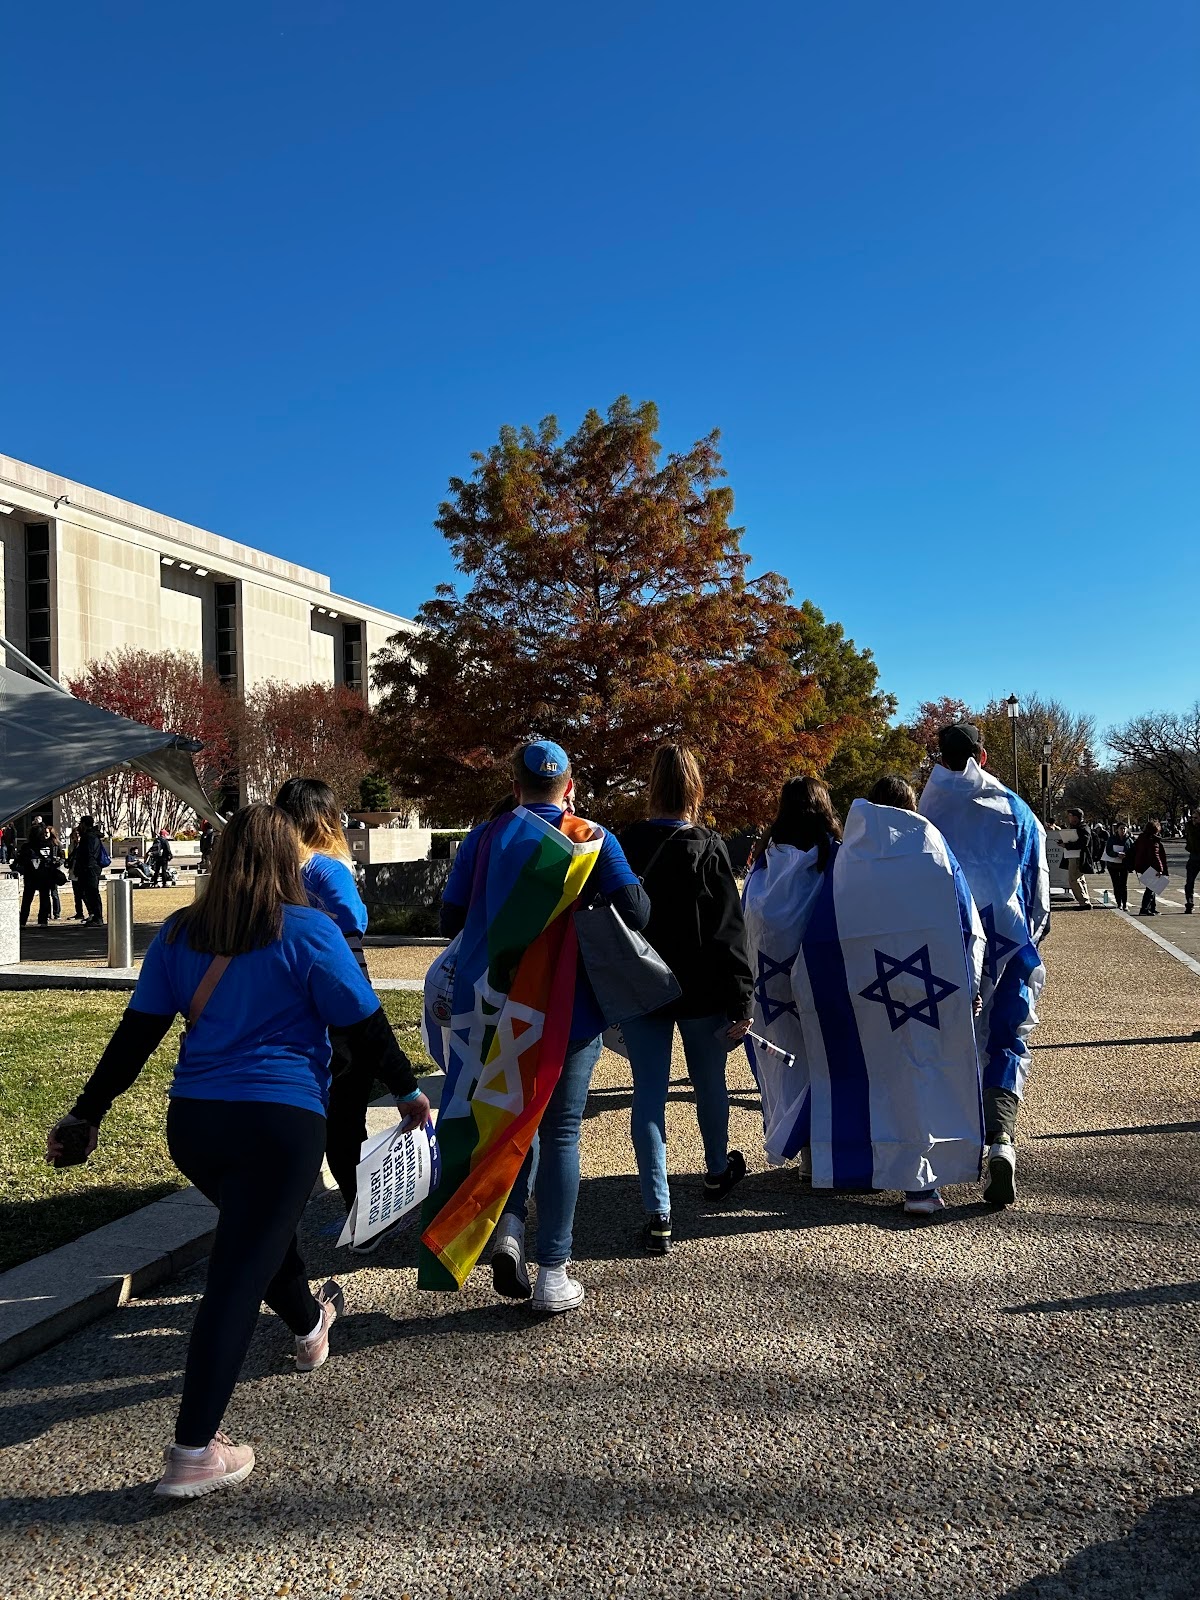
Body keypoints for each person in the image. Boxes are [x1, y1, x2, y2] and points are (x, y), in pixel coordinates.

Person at [45, 804, 430, 1499]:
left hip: (195, 1127)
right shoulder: (309, 931)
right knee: (235, 1274)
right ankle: (194, 1451)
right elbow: (366, 1024)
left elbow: (137, 1036)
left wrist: (88, 1112)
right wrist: (406, 1092)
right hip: (279, 1124)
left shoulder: (181, 935)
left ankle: (311, 1323)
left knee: (258, 1234)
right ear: (290, 863)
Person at [427, 739, 649, 1313]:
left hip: (496, 1007)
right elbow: (637, 910)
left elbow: (451, 918)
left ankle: (506, 1232)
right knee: (562, 1132)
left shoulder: (485, 837)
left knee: (505, 1120)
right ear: (569, 786)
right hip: (568, 1010)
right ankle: (554, 1273)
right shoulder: (592, 838)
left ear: (516, 784)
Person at [790, 789, 986, 1215]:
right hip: (931, 984)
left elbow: (823, 930)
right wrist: (969, 986)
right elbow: (967, 922)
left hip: (867, 988)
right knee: (925, 1078)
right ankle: (921, 1184)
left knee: (878, 1080)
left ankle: (869, 1164)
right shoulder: (933, 849)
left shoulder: (849, 861)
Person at [617, 745, 753, 1255]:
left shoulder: (626, 843)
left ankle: (658, 1209)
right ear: (695, 787)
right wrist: (741, 996)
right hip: (701, 987)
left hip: (643, 986)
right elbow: (728, 932)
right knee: (708, 1083)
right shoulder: (708, 846)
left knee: (647, 1094)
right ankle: (717, 1170)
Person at [919, 723, 1050, 1208]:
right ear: (984, 755)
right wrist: (1029, 940)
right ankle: (1001, 1142)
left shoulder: (921, 809)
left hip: (941, 941)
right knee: (1006, 1043)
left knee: (938, 1042)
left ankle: (931, 1156)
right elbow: (1037, 888)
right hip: (1006, 940)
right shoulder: (1016, 809)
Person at [274, 777, 391, 1250]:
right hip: (341, 1002)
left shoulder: (277, 870)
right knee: (347, 1120)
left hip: (291, 1004)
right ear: (326, 817)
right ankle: (364, 1217)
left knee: (314, 1114)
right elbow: (354, 921)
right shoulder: (326, 868)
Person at [741, 776, 843, 1183]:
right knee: (825, 1059)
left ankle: (803, 1150)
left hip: (769, 982)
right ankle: (827, 1149)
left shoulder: (765, 861)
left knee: (788, 1065)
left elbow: (751, 921)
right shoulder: (832, 859)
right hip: (817, 975)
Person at [16, 823, 59, 926]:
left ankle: (22, 921)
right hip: (45, 874)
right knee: (44, 897)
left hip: (30, 875)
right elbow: (52, 859)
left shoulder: (27, 846)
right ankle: (43, 920)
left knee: (27, 899)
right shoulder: (49, 845)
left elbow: (21, 861)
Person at [70, 815, 106, 926]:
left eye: (81, 824)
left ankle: (97, 917)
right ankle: (94, 915)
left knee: (92, 893)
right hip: (89, 868)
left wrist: (84, 867)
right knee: (88, 893)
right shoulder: (91, 836)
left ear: (85, 824)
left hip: (89, 869)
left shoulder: (89, 837)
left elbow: (88, 854)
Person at [1059, 808, 1093, 909]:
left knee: (1074, 879)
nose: (1068, 818)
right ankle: (1085, 900)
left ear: (1075, 817)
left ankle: (1084, 902)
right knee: (1079, 879)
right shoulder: (1081, 827)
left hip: (1077, 856)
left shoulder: (1082, 828)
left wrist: (1067, 845)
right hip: (1075, 855)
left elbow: (1083, 843)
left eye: (1070, 815)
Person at [1133, 820, 1168, 916]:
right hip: (1151, 866)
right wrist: (1160, 869)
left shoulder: (1142, 838)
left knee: (1153, 887)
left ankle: (1152, 908)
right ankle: (1144, 908)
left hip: (1142, 865)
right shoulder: (1153, 840)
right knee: (1151, 888)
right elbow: (1156, 855)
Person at [1103, 823, 1132, 911]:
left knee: (1123, 885)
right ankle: (1118, 903)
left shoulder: (1129, 839)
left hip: (1124, 865)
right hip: (1113, 865)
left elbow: (1132, 850)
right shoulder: (1112, 839)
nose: (1123, 830)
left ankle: (1124, 904)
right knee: (1116, 884)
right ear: (1117, 830)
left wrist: (1126, 855)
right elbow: (1108, 850)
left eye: (1124, 828)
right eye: (1121, 828)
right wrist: (1116, 854)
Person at [1184, 812, 1200, 915]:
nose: (1193, 819)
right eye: (1192, 817)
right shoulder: (1189, 826)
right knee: (1189, 882)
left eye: (1196, 818)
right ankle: (1189, 904)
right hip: (1194, 857)